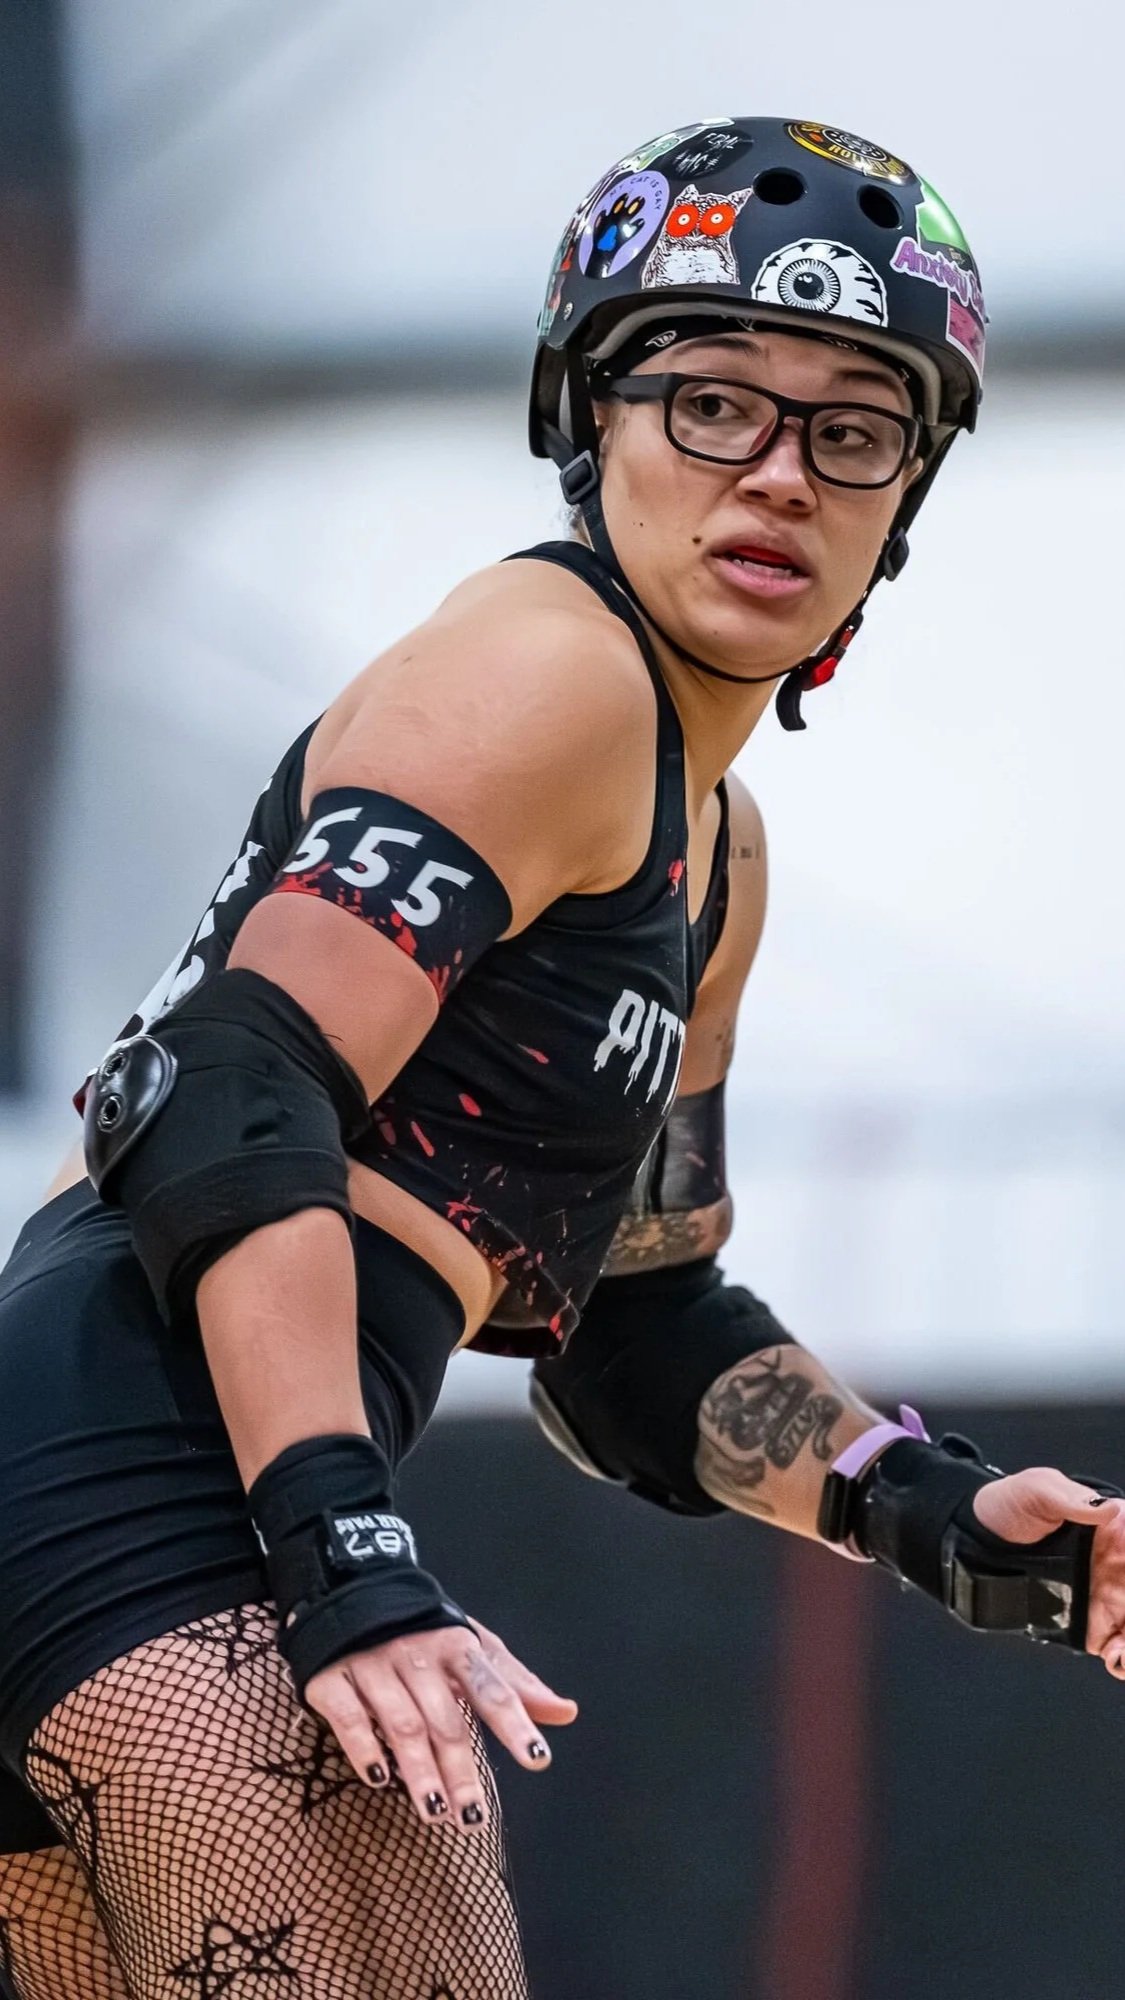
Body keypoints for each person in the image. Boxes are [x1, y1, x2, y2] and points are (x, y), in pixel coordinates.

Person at [0, 113, 1122, 2000]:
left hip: (133, 1490)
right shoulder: (551, 671)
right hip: (159, 1485)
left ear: (899, 507)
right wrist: (345, 1558)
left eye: (853, 429)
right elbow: (217, 1097)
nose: (777, 475)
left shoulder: (712, 849)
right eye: (709, 404)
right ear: (584, 422)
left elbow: (631, 1333)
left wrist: (925, 1508)